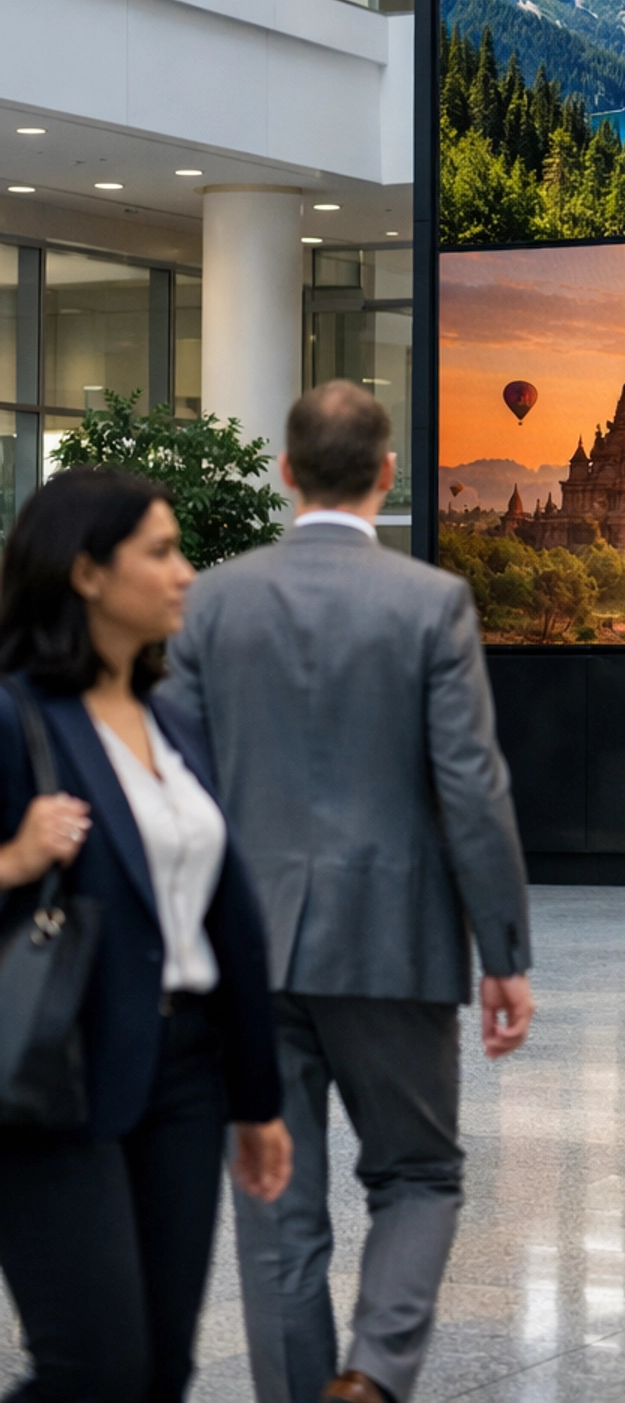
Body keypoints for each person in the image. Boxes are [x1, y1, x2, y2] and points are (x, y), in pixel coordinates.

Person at [167, 382, 534, 1403]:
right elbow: (471, 785)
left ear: (284, 473)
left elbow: (172, 779)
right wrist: (504, 951)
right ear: (387, 475)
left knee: (272, 1190)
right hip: (394, 942)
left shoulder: (212, 601)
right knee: (418, 1174)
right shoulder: (431, 602)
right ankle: (372, 1376)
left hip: (245, 947)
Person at [0, 469, 291, 1403]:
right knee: (96, 1369)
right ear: (87, 573)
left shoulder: (170, 719)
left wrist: (256, 1097)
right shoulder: (16, 717)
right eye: (161, 552)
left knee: (162, 1368)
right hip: (56, 1066)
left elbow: (224, 914)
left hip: (183, 1075)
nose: (187, 573)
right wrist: (11, 859)